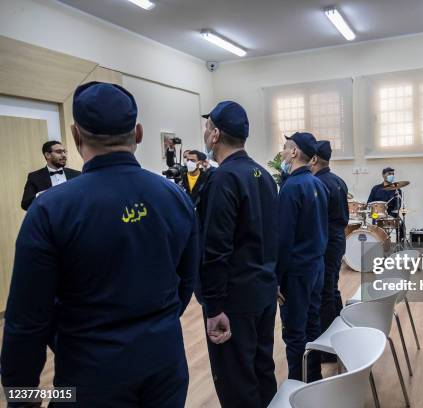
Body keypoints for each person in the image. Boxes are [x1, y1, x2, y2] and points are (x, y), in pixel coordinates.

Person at [1, 81, 198, 407]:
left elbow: (27, 318)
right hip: (165, 364)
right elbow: (185, 282)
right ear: (138, 133)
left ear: (77, 136)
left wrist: (21, 395)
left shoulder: (50, 209)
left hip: (90, 372)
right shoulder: (175, 197)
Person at [198, 101, 279, 408]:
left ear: (215, 134)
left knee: (235, 381)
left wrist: (214, 305)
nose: (206, 133)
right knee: (261, 368)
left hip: (233, 300)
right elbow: (275, 237)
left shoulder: (222, 179)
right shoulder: (263, 175)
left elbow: (216, 248)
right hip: (263, 292)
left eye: (208, 128)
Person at [277, 132, 328, 383]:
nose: (283, 153)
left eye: (285, 148)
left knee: (295, 332)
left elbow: (283, 239)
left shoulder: (291, 187)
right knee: (312, 326)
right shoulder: (318, 184)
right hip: (316, 266)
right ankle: (315, 379)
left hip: (296, 272)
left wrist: (276, 279)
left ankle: (297, 387)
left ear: (295, 152)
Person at [310, 140, 349, 363]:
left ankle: (327, 349)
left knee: (325, 293)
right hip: (338, 239)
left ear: (313, 159)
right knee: (332, 290)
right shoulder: (338, 180)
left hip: (326, 242)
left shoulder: (317, 184)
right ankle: (341, 336)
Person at [20, 141, 81, 210]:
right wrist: (41, 195)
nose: (64, 155)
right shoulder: (34, 177)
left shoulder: (77, 175)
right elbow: (26, 204)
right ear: (47, 155)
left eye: (64, 152)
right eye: (59, 152)